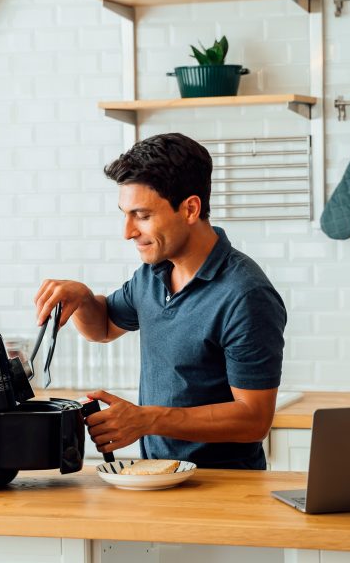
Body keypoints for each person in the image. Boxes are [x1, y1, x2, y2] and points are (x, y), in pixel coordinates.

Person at [34, 133, 286, 469]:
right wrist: (82, 298)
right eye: (125, 214)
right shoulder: (152, 275)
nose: (128, 231)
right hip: (158, 478)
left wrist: (148, 419)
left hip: (224, 487)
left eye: (142, 215)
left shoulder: (245, 295)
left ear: (190, 209)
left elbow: (254, 419)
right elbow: (104, 327)